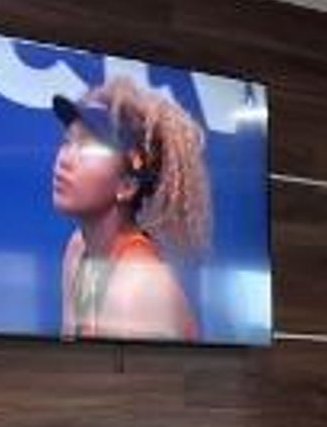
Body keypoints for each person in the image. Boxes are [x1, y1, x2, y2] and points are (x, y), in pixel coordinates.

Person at [50, 77, 212, 341]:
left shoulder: (138, 285)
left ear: (126, 185)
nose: (64, 159)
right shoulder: (79, 250)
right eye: (68, 141)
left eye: (88, 148)